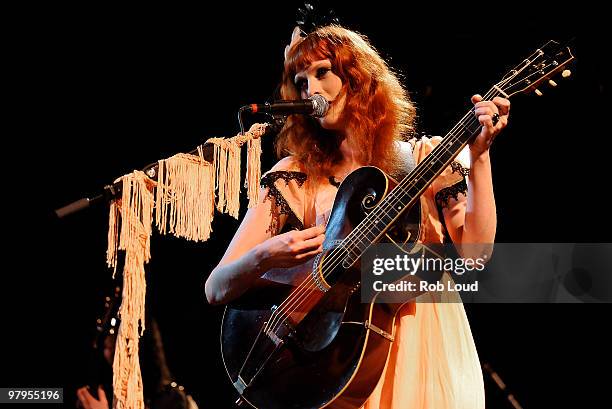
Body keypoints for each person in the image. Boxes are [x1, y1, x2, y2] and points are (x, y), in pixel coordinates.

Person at [205, 24, 510, 409]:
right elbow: (216, 287)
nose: (310, 91)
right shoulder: (297, 175)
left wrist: (480, 157)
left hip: (424, 347)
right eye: (300, 83)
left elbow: (475, 256)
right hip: (339, 357)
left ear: (358, 78)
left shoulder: (419, 160)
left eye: (322, 73)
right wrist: (267, 254)